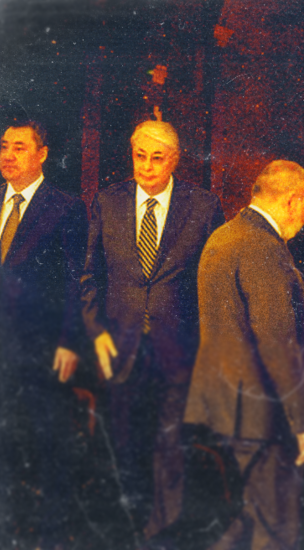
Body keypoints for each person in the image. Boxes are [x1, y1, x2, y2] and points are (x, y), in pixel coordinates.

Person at [81, 120, 225, 544]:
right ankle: (131, 533)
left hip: (178, 352)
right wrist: (96, 332)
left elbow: (214, 286)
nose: (146, 166)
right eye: (139, 156)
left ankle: (164, 535)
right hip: (119, 348)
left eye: (157, 157)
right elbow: (89, 276)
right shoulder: (107, 202)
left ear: (175, 159)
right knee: (124, 448)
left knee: (171, 448)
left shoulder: (203, 206)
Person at [183, 160, 304, 550]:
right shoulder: (263, 246)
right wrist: (301, 420)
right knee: (275, 529)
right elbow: (277, 343)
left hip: (226, 409)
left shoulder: (224, 235)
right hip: (263, 414)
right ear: (292, 201)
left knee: (247, 520)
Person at [0, 120, 88, 549]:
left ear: (42, 154)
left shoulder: (65, 208)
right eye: (4, 146)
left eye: (19, 147)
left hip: (39, 351)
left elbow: (75, 283)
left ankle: (49, 536)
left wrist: (70, 341)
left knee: (43, 443)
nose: (8, 155)